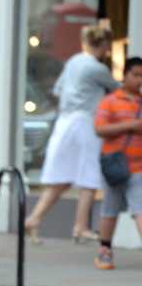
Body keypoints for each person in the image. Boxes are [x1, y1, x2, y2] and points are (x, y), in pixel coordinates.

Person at [26, 26, 117, 244]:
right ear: (103, 45)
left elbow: (57, 91)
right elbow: (118, 90)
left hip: (64, 122)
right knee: (89, 176)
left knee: (61, 178)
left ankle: (34, 219)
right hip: (85, 122)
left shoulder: (73, 62)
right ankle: (81, 227)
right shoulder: (96, 68)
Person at [92, 56, 142, 270]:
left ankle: (105, 251)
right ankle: (105, 251)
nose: (139, 79)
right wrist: (131, 125)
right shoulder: (110, 101)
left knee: (140, 210)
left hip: (139, 166)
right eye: (136, 75)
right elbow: (100, 129)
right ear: (125, 75)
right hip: (114, 166)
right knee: (110, 210)